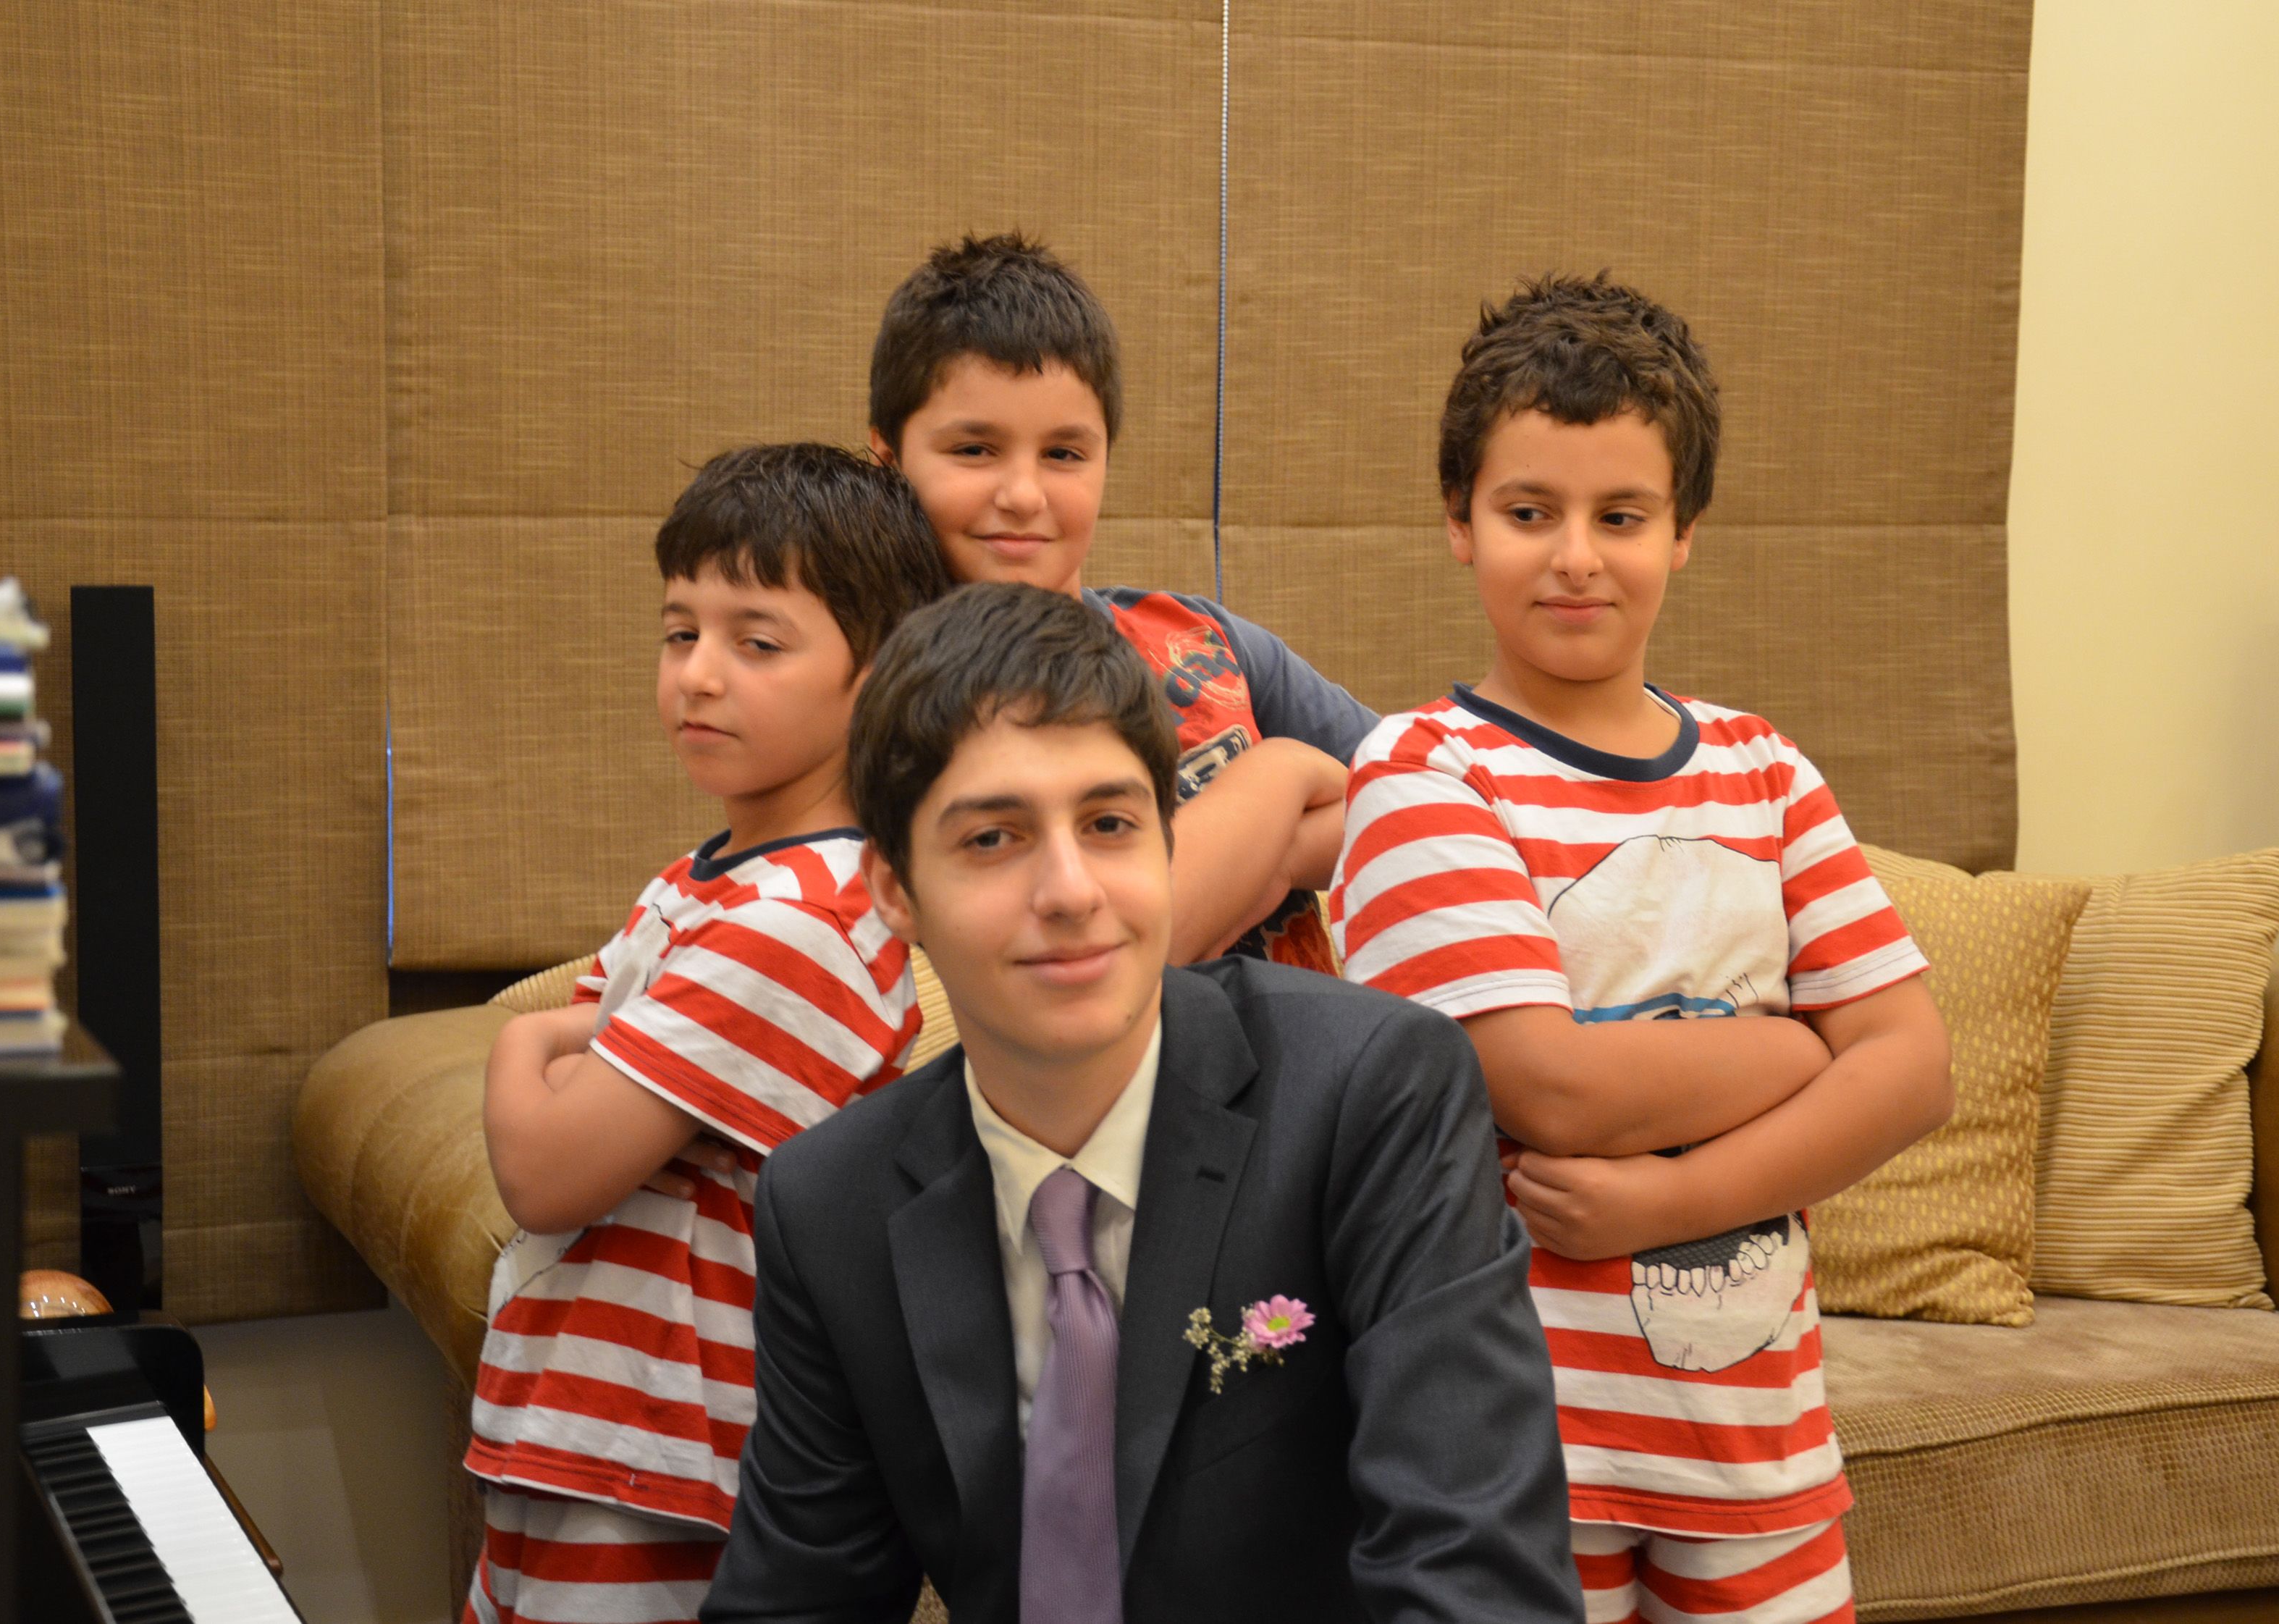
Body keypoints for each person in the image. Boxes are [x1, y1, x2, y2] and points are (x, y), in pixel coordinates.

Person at [702, 581, 1585, 1623]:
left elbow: (1478, 1578)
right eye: (993, 838)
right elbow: (794, 1603)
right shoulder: (831, 1203)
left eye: (1111, 822)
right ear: (895, 890)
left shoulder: (1369, 1092)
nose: (1072, 889)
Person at [1334, 274, 1954, 1624]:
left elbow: (1911, 1072)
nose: (1577, 556)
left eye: (1622, 516)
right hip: (1515, 1449)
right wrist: (1796, 1045)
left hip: (1759, 1440)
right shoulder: (1426, 771)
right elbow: (1541, 1084)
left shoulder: (1766, 768)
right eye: (1528, 512)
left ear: (1686, 534)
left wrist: (1669, 1201)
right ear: (1458, 522)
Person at [464, 443, 951, 1624]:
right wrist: (571, 1049)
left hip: (667, 1450)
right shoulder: (709, 880)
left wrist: (516, 1049)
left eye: (757, 640)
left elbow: (546, 1167)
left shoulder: (799, 919)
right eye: (681, 631)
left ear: (877, 675)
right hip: (586, 1421)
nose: (699, 673)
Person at [868, 232, 1376, 969]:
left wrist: (1275, 854)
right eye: (974, 450)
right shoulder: (881, 703)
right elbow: (1119, 944)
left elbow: (1426, 806)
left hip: (1311, 1075)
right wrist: (1279, 781)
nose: (1022, 494)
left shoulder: (1204, 641)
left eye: (1064, 453)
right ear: (889, 459)